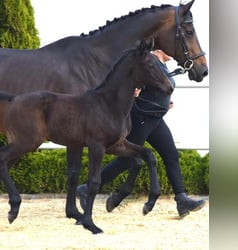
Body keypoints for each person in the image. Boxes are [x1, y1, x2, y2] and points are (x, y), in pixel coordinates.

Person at [76, 49, 206, 217]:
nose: (172, 52)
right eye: (168, 49)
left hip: (156, 119)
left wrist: (165, 102)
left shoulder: (162, 66)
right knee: (126, 160)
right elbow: (132, 82)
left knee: (171, 155)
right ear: (160, 50)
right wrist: (134, 93)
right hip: (142, 118)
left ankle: (182, 200)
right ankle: (85, 189)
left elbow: (159, 87)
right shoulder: (149, 63)